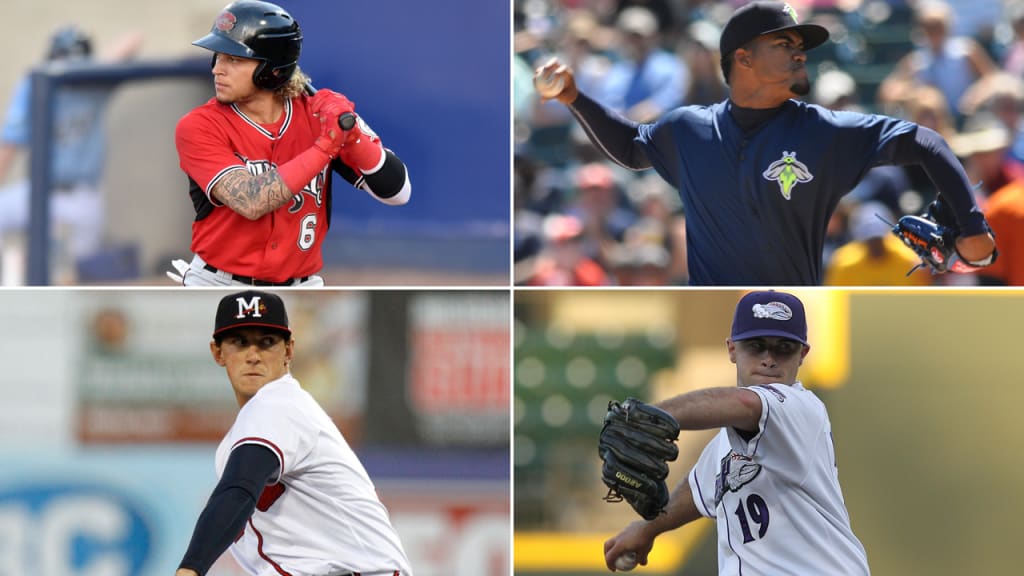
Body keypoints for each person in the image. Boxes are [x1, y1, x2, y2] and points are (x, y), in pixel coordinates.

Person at [533, 1, 996, 285]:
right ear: (743, 58)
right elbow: (632, 148)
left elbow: (925, 141)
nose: (800, 53)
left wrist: (971, 225)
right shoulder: (689, 129)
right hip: (712, 313)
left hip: (793, 310)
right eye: (783, 44)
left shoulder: (825, 131)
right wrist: (574, 97)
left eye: (800, 45)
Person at [603, 290, 869, 574]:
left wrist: (644, 416)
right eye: (756, 346)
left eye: (784, 348)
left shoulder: (800, 409)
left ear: (802, 354)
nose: (769, 359)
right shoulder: (728, 440)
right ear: (732, 349)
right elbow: (699, 489)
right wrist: (647, 529)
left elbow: (744, 403)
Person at [171, 0, 410, 287]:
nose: (217, 69)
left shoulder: (318, 116)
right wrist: (326, 145)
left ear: (272, 70)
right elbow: (251, 201)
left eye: (234, 59)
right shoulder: (199, 125)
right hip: (216, 282)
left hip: (303, 284)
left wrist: (353, 133)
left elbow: (398, 193)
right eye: (218, 56)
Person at [176, 289, 412, 576]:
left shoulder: (278, 405)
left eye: (266, 342)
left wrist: (190, 569)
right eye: (239, 342)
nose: (253, 356)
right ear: (217, 352)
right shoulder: (256, 423)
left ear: (288, 351)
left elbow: (239, 488)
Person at [0, 26, 143, 283]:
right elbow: (9, 145)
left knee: (81, 274)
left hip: (82, 195)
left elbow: (133, 39)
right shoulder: (34, 84)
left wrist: (90, 70)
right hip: (38, 192)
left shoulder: (96, 83)